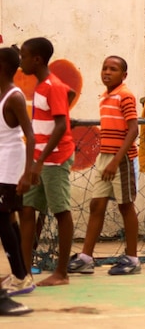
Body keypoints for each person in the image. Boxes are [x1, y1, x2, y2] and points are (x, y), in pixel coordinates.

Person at [67, 56, 142, 276]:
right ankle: (86, 258)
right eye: (104, 68)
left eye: (113, 69)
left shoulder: (125, 96)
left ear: (124, 75)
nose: (107, 72)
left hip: (122, 159)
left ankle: (133, 259)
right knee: (96, 205)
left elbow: (133, 130)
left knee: (125, 206)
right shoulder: (104, 97)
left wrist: (116, 161)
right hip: (105, 158)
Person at [17, 37, 75, 287]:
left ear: (37, 59)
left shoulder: (52, 85)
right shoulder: (42, 87)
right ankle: (23, 272)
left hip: (54, 159)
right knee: (28, 211)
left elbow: (61, 125)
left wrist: (39, 162)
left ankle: (61, 273)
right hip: (39, 159)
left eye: (24, 56)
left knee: (61, 211)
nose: (21, 62)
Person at [0, 47, 36, 296]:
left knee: (2, 221)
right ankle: (19, 274)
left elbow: (30, 135)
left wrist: (27, 173)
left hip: (10, 167)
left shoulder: (15, 96)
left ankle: (21, 277)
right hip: (1, 166)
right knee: (7, 220)